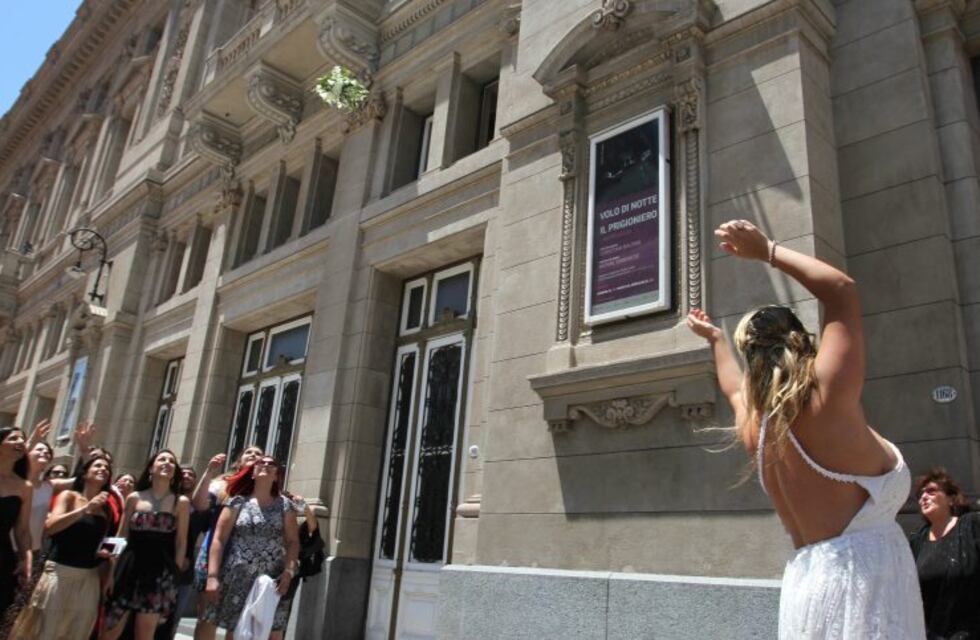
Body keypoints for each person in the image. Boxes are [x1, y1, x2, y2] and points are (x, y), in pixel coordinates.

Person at [685, 219, 924, 639]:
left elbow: (731, 386)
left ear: (749, 355)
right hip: (863, 588)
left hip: (807, 586)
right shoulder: (826, 397)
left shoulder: (754, 423)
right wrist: (768, 251)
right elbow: (841, 291)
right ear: (800, 339)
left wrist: (715, 340)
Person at [9, 455, 113, 639]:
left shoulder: (106, 510)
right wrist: (85, 509)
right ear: (85, 473)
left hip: (88, 577)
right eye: (98, 465)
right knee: (46, 630)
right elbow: (50, 527)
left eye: (107, 468)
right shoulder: (69, 496)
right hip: (59, 572)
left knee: (77, 630)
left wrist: (104, 555)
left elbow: (98, 541)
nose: (103, 469)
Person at [201, 456, 299, 640]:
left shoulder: (285, 505)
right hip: (238, 575)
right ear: (253, 473)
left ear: (277, 475)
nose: (266, 465)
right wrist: (212, 576)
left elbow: (293, 541)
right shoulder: (237, 502)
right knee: (236, 630)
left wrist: (289, 571)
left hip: (272, 578)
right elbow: (219, 540)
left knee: (273, 631)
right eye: (261, 463)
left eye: (272, 464)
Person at [101, 450, 190, 640]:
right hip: (129, 568)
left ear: (175, 471)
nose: (167, 463)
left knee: (145, 634)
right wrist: (111, 571)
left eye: (172, 461)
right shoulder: (134, 497)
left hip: (159, 573)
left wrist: (174, 576)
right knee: (110, 630)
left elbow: (181, 541)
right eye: (162, 459)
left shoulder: (180, 502)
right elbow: (121, 535)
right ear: (151, 467)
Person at [191, 447, 262, 640]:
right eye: (249, 453)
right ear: (238, 461)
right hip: (215, 556)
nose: (254, 456)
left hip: (246, 563)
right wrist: (209, 472)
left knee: (239, 621)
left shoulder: (265, 490)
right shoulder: (222, 483)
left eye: (259, 454)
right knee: (207, 617)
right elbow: (198, 504)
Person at [909, 468, 980, 638]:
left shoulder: (971, 526)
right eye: (920, 495)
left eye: (931, 491)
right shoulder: (917, 541)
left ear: (951, 499)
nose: (923, 497)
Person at [155, 464, 209, 640]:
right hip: (157, 565)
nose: (186, 476)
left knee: (172, 618)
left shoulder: (199, 511)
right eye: (183, 473)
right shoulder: (164, 501)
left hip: (183, 571)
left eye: (191, 474)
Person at [0, 427, 33, 626]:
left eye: (23, 439)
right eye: (13, 438)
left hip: (3, 558)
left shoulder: (24, 487)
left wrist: (26, 559)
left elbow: (22, 531)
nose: (20, 442)